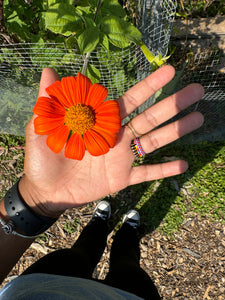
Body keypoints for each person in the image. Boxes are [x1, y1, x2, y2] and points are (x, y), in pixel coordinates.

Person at [0, 65, 204, 299]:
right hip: (130, 294)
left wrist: (35, 198)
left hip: (46, 283)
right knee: (127, 265)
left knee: (80, 253)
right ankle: (127, 232)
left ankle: (100, 224)